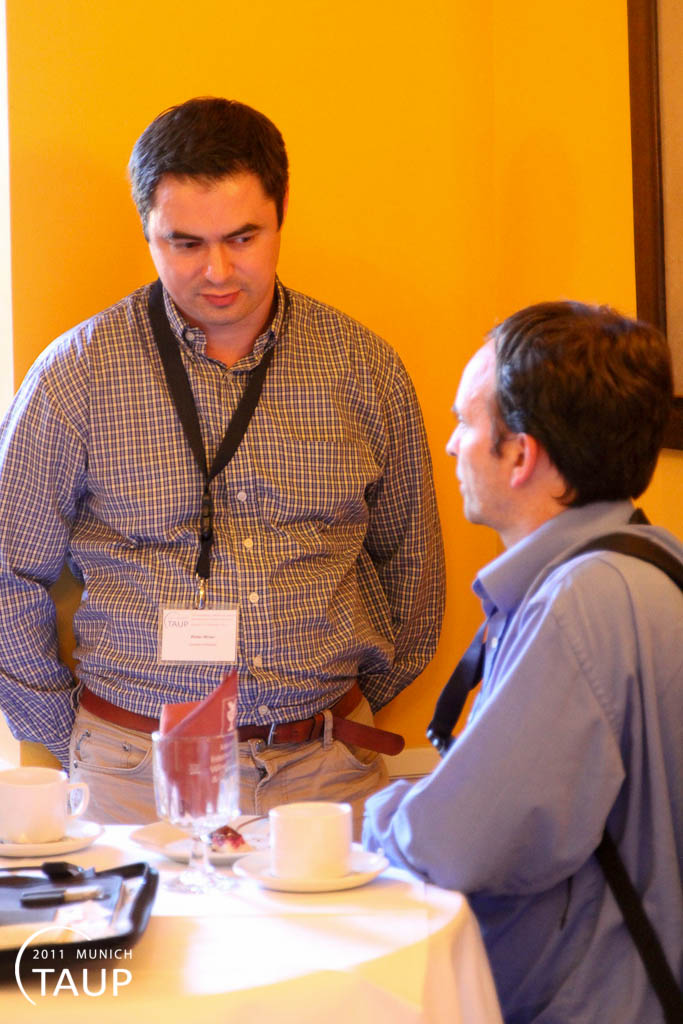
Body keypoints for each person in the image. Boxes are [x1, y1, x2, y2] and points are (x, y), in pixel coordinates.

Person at [0, 97, 445, 828]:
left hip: (325, 770)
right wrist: (71, 734)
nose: (217, 271)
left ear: (282, 212)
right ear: (146, 229)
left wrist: (343, 705)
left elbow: (413, 566)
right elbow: (8, 573)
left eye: (243, 237)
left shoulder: (363, 369)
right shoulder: (74, 375)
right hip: (136, 771)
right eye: (184, 243)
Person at [363, 301, 683, 1022]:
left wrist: (371, 816)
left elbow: (459, 843)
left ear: (521, 456)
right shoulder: (650, 560)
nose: (451, 445)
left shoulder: (578, 603)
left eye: (466, 422)